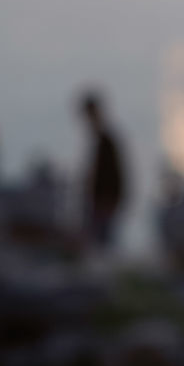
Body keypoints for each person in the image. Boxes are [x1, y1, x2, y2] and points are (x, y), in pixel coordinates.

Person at [77, 89, 126, 250]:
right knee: (98, 245)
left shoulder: (106, 141)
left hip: (104, 204)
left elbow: (117, 175)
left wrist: (111, 201)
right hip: (99, 204)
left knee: (103, 247)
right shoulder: (100, 141)